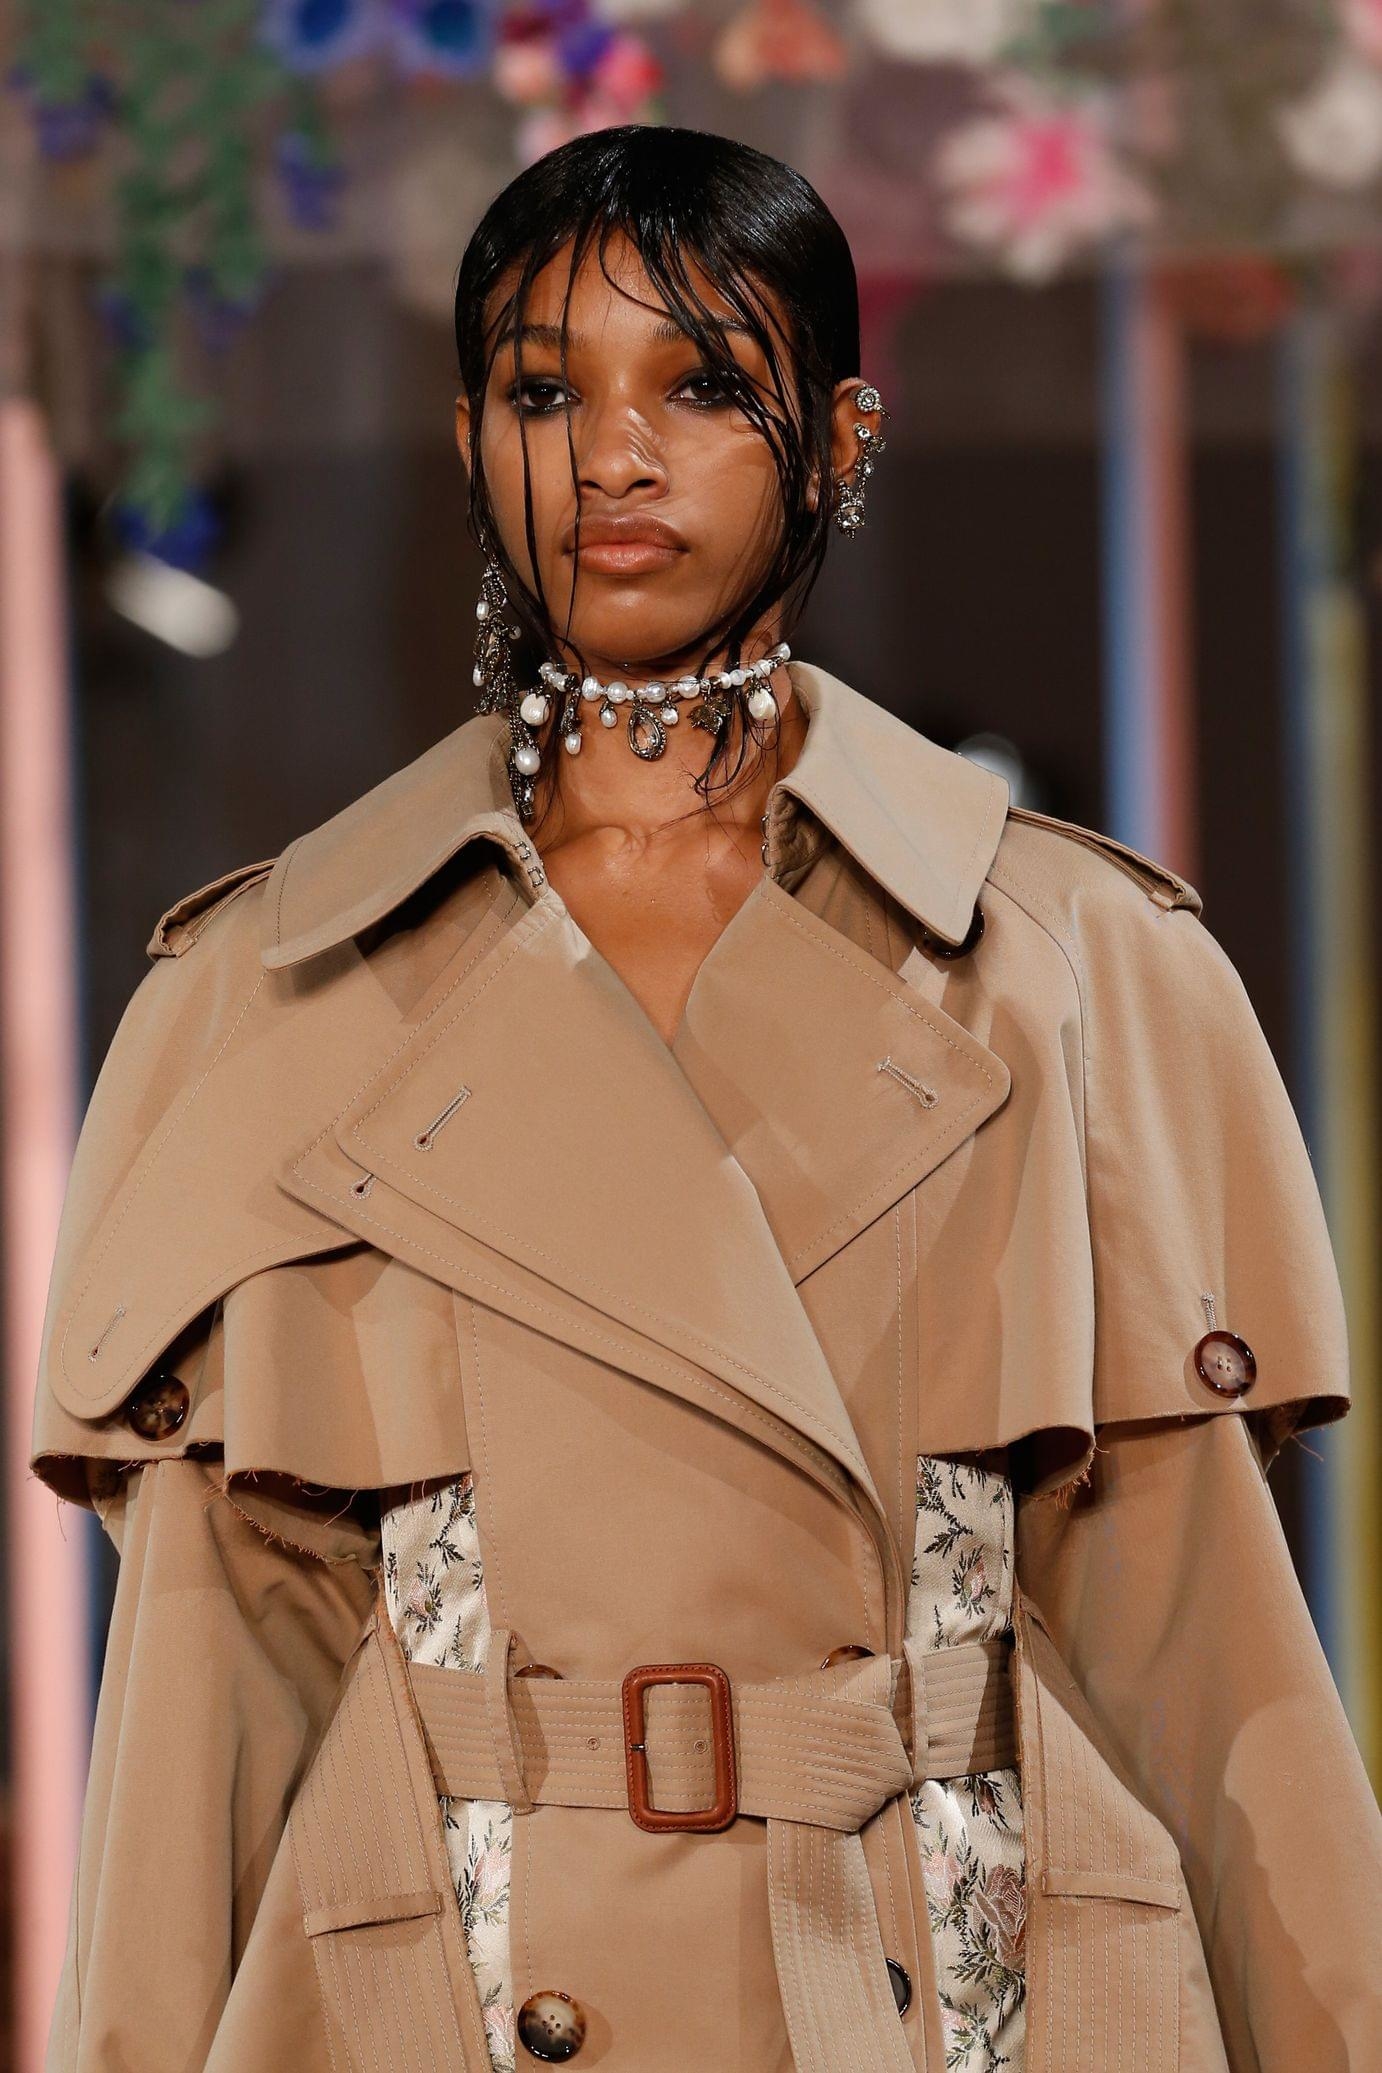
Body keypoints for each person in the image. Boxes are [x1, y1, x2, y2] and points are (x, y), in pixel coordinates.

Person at [32, 123, 1382, 2073]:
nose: (614, 454)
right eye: (543, 391)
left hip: (955, 1984)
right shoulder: (263, 994)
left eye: (700, 386)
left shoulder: (1081, 966)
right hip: (448, 1987)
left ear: (838, 436)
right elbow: (201, 1701)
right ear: (469, 436)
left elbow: (1206, 1654)